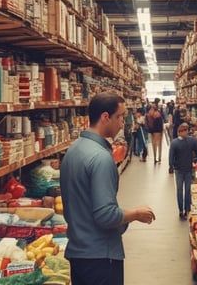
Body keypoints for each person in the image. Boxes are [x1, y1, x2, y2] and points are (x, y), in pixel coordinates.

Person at [60, 92, 156, 285]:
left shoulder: (74, 150)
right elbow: (105, 215)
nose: (123, 123)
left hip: (78, 253)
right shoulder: (102, 158)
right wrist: (135, 213)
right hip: (101, 258)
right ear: (105, 117)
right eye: (120, 116)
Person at [169, 123, 197, 219]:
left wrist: (171, 166)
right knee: (183, 190)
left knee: (184, 190)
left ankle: (186, 209)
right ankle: (183, 210)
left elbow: (171, 156)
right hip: (183, 170)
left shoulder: (177, 143)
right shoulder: (189, 141)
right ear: (179, 132)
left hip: (184, 170)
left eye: (186, 130)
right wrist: (171, 166)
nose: (185, 132)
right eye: (184, 131)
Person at [146, 98, 164, 164]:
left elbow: (148, 119)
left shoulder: (149, 112)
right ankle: (159, 158)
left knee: (154, 144)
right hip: (158, 130)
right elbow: (161, 121)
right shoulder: (158, 113)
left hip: (152, 130)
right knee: (159, 144)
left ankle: (154, 158)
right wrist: (162, 130)